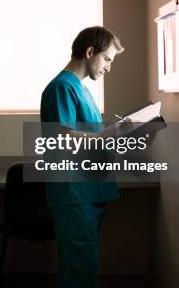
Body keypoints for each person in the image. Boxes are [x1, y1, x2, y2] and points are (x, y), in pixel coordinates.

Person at [40, 26, 124, 288]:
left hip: (89, 192)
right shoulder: (61, 88)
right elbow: (63, 139)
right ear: (90, 52)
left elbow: (92, 140)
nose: (109, 67)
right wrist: (110, 135)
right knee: (78, 267)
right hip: (75, 193)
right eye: (107, 59)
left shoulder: (80, 89)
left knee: (85, 264)